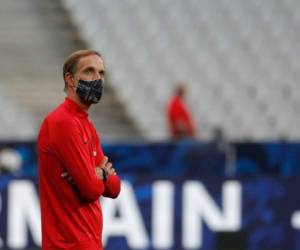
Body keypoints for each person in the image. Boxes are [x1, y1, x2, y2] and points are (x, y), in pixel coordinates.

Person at [38, 50, 121, 250]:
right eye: (89, 71)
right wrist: (101, 173)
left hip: (88, 242)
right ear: (71, 79)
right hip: (68, 244)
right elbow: (91, 189)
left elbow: (114, 188)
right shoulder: (62, 122)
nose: (97, 79)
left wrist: (96, 175)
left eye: (101, 73)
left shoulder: (86, 124)